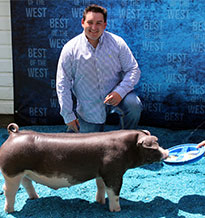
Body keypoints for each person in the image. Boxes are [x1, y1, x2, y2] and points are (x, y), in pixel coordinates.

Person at [56, 4, 142, 133]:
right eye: (90, 22)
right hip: (89, 108)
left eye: (99, 23)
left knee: (134, 105)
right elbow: (63, 84)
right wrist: (68, 115)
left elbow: (133, 69)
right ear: (82, 22)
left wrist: (120, 92)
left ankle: (127, 139)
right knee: (87, 149)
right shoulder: (70, 49)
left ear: (105, 25)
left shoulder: (117, 43)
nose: (94, 27)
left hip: (118, 97)